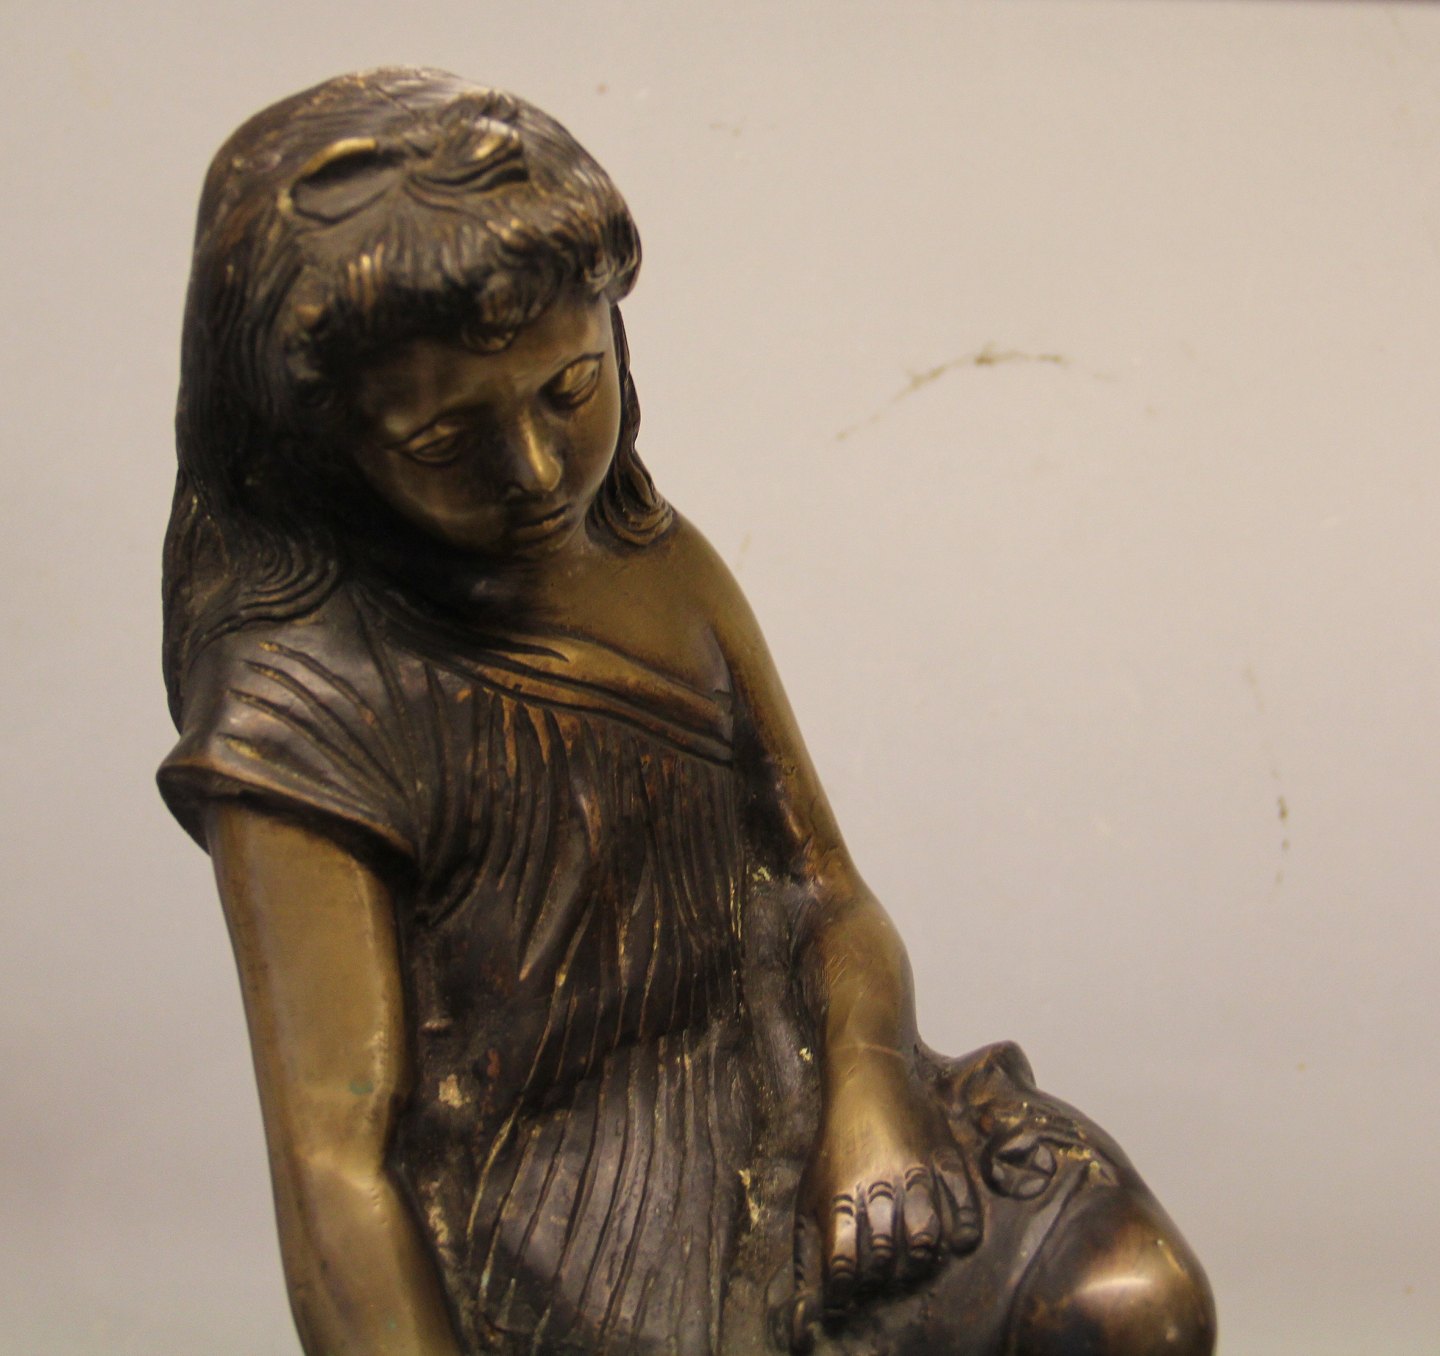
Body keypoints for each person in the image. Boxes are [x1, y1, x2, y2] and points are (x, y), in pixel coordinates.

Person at [160, 68, 1215, 1356]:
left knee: (1128, 1302)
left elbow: (826, 894)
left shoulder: (659, 570)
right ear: (316, 445)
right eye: (444, 441)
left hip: (806, 1105)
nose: (536, 471)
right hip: (568, 1232)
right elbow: (336, 1164)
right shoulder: (306, 708)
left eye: (570, 388)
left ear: (616, 338)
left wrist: (870, 1099)